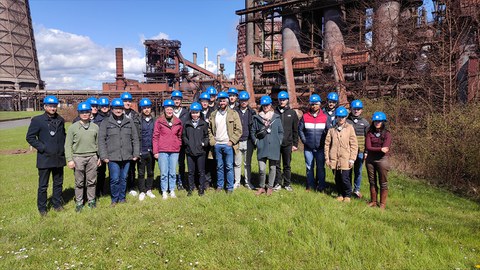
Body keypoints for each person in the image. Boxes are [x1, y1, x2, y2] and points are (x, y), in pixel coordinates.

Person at [26, 95, 66, 216]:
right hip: (45, 158)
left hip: (59, 157)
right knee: (43, 186)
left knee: (58, 183)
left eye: (54, 106)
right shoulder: (37, 120)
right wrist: (43, 147)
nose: (53, 108)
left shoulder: (60, 119)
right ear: (45, 106)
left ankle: (57, 204)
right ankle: (42, 208)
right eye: (50, 106)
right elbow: (30, 137)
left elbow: (63, 135)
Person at [98, 98, 140, 207]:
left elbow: (135, 138)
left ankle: (122, 198)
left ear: (123, 109)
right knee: (114, 179)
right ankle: (114, 199)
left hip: (127, 155)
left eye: (120, 108)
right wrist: (103, 156)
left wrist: (135, 154)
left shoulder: (129, 121)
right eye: (116, 108)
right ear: (111, 109)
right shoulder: (106, 122)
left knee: (124, 178)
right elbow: (101, 140)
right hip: (112, 156)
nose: (118, 110)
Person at [65, 102, 101, 212]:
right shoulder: (73, 128)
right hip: (78, 157)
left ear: (90, 113)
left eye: (87, 112)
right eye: (82, 112)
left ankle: (91, 201)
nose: (85, 114)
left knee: (91, 181)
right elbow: (68, 145)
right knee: (79, 182)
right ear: (79, 113)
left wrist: (99, 157)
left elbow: (98, 143)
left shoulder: (95, 127)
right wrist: (69, 159)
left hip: (92, 157)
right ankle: (79, 202)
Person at [208, 91, 242, 193]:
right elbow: (209, 129)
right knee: (219, 166)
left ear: (227, 102)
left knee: (229, 166)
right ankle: (219, 185)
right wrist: (213, 141)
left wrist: (232, 141)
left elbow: (239, 129)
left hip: (228, 144)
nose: (222, 102)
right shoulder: (214, 114)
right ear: (218, 102)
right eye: (220, 101)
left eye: (224, 101)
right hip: (217, 144)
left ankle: (230, 187)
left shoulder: (233, 113)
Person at [251, 96, 284, 196]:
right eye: (264, 105)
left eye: (267, 105)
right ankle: (261, 187)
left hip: (274, 146)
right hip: (262, 146)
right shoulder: (257, 118)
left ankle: (270, 187)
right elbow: (253, 131)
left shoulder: (276, 117)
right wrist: (256, 142)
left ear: (270, 105)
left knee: (272, 168)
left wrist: (279, 141)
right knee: (261, 169)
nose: (266, 107)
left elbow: (281, 132)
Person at [325, 106, 358, 202]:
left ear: (345, 117)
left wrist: (352, 159)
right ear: (336, 117)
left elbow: (354, 144)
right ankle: (340, 194)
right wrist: (327, 158)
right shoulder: (331, 129)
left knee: (345, 178)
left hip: (345, 158)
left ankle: (347, 195)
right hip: (334, 158)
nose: (341, 118)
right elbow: (327, 144)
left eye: (343, 117)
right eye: (339, 116)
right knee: (337, 178)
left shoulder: (350, 128)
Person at [153, 99, 183, 200]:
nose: (169, 111)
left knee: (173, 172)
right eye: (167, 109)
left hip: (174, 150)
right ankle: (164, 190)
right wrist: (156, 151)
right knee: (164, 172)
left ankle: (172, 190)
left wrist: (178, 145)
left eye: (171, 109)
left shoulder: (178, 122)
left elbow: (179, 136)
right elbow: (155, 136)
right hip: (162, 150)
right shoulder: (159, 121)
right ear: (164, 110)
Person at [298, 94, 328, 191]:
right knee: (309, 167)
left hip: (320, 147)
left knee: (320, 168)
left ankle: (321, 186)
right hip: (308, 147)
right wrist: (304, 141)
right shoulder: (305, 116)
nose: (314, 106)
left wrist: (325, 143)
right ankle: (310, 186)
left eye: (316, 104)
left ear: (319, 105)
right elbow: (300, 130)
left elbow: (329, 131)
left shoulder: (324, 117)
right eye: (312, 104)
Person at [365, 111, 392, 210]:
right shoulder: (369, 132)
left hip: (382, 160)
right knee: (372, 181)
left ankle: (382, 204)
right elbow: (368, 147)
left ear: (383, 122)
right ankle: (373, 201)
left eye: (379, 121)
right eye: (376, 121)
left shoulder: (387, 134)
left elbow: (386, 147)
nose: (377, 123)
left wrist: (380, 149)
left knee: (383, 182)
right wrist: (380, 149)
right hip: (370, 159)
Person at [273, 91, 299, 192]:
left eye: (284, 99)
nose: (282, 101)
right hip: (276, 143)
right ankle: (278, 183)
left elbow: (295, 130)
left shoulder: (292, 113)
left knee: (287, 165)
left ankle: (287, 183)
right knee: (277, 164)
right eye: (280, 100)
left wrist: (295, 144)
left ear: (287, 100)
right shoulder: (274, 113)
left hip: (287, 143)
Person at [182, 102, 209, 196]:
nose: (195, 115)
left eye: (197, 112)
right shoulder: (187, 124)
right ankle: (190, 188)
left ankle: (201, 189)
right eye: (193, 112)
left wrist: (203, 144)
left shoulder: (203, 124)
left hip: (200, 152)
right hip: (189, 152)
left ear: (200, 113)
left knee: (201, 172)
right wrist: (188, 143)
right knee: (190, 172)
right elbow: (184, 136)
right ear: (190, 113)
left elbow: (206, 136)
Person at [346, 99, 369, 198]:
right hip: (348, 151)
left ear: (361, 110)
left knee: (358, 171)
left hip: (360, 151)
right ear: (351, 109)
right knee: (348, 171)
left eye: (358, 109)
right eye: (354, 109)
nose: (356, 111)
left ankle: (357, 190)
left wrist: (366, 152)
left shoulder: (365, 122)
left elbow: (368, 138)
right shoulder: (346, 120)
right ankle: (348, 188)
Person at [121, 92, 141, 197]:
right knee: (121, 168)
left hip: (132, 145)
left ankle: (132, 186)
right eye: (125, 101)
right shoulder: (116, 114)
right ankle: (121, 188)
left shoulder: (135, 115)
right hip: (120, 146)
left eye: (129, 101)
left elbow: (138, 131)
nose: (127, 103)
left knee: (132, 168)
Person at [234, 91, 256, 189]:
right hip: (237, 141)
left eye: (245, 100)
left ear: (248, 101)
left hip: (248, 141)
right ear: (239, 101)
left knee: (247, 163)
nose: (243, 102)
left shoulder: (252, 112)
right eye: (242, 100)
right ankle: (237, 182)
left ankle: (248, 182)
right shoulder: (235, 111)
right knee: (237, 163)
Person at [137, 98, 156, 201]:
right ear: (141, 109)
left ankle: (149, 189)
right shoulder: (138, 121)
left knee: (151, 171)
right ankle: (142, 191)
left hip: (151, 150)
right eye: (144, 108)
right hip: (141, 150)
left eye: (148, 107)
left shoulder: (155, 120)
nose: (146, 109)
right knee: (140, 172)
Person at [171, 90, 189, 190]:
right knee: (172, 164)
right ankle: (172, 182)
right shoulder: (169, 112)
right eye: (174, 99)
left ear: (181, 100)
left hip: (182, 142)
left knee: (181, 163)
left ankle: (181, 182)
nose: (176, 101)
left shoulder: (186, 113)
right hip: (172, 142)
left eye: (178, 99)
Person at [199, 91, 216, 188]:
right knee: (201, 162)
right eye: (202, 101)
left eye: (206, 101)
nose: (204, 103)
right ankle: (201, 181)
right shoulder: (197, 112)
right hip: (200, 141)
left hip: (210, 141)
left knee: (211, 162)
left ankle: (210, 180)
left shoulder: (213, 112)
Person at [96, 96, 110, 197]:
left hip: (112, 148)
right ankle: (99, 191)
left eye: (106, 106)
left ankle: (110, 190)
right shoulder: (96, 118)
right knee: (100, 172)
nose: (104, 107)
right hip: (101, 148)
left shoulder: (112, 116)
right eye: (102, 106)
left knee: (114, 171)